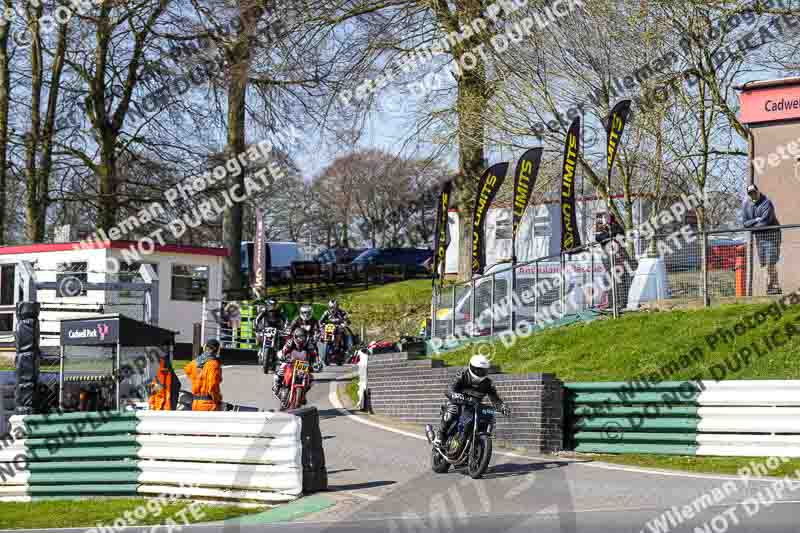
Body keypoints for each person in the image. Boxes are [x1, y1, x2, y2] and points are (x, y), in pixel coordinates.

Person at [434, 355, 508, 446]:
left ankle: (477, 441)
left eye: (483, 370)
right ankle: (440, 434)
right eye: (477, 370)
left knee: (488, 415)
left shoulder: (488, 383)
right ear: (471, 367)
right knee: (452, 411)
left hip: (474, 406)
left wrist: (502, 406)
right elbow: (449, 389)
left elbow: (495, 399)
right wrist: (454, 395)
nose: (479, 373)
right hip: (458, 403)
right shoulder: (462, 375)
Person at [743, 184, 782, 295]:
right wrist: (756, 219)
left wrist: (752, 225)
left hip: (772, 236)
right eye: (750, 194)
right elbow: (745, 223)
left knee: (771, 262)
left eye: (754, 192)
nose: (753, 195)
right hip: (759, 238)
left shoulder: (766, 203)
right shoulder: (747, 205)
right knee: (765, 264)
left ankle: (773, 286)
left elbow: (765, 222)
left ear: (758, 191)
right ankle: (772, 287)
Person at [594, 212, 636, 310]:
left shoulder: (617, 227)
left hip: (618, 257)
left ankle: (622, 303)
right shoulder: (602, 229)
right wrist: (608, 234)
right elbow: (598, 238)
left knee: (619, 280)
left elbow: (618, 234)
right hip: (607, 258)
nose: (605, 220)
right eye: (604, 219)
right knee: (610, 280)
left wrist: (609, 232)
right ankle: (611, 303)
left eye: (607, 218)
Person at [273, 328, 315, 400]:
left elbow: (314, 355)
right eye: (300, 337)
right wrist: (283, 357)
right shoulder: (290, 342)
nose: (301, 339)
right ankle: (277, 386)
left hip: (302, 363)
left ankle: (303, 394)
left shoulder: (309, 344)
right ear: (295, 337)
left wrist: (314, 363)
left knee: (310, 378)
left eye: (303, 337)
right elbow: (284, 351)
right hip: (290, 361)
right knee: (280, 371)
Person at [183, 339, 223, 411]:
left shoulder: (194, 363)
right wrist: (218, 401)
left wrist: (197, 377)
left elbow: (187, 370)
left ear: (205, 348)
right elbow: (213, 386)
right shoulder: (214, 365)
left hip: (195, 402)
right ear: (217, 350)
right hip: (209, 403)